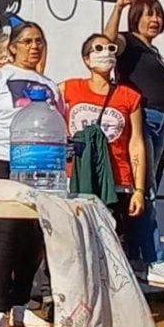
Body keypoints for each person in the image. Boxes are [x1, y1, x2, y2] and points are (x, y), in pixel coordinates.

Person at [0, 23, 58, 327]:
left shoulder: (50, 85)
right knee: (3, 233)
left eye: (39, 41)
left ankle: (21, 305)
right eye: (27, 41)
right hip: (4, 161)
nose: (34, 46)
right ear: (13, 47)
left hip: (41, 166)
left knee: (32, 237)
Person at [103, 0, 164, 285]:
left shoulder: (154, 52)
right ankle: (153, 259)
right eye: (149, 13)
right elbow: (107, 43)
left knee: (145, 190)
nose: (155, 19)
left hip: (161, 120)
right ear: (136, 17)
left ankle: (138, 258)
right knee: (143, 188)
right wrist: (119, 7)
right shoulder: (129, 42)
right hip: (141, 119)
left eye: (158, 14)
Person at [60, 33, 147, 254]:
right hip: (77, 178)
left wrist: (139, 189)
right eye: (98, 49)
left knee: (113, 245)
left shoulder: (129, 96)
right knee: (74, 242)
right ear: (86, 60)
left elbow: (135, 142)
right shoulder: (69, 89)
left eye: (110, 48)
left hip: (118, 182)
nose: (105, 53)